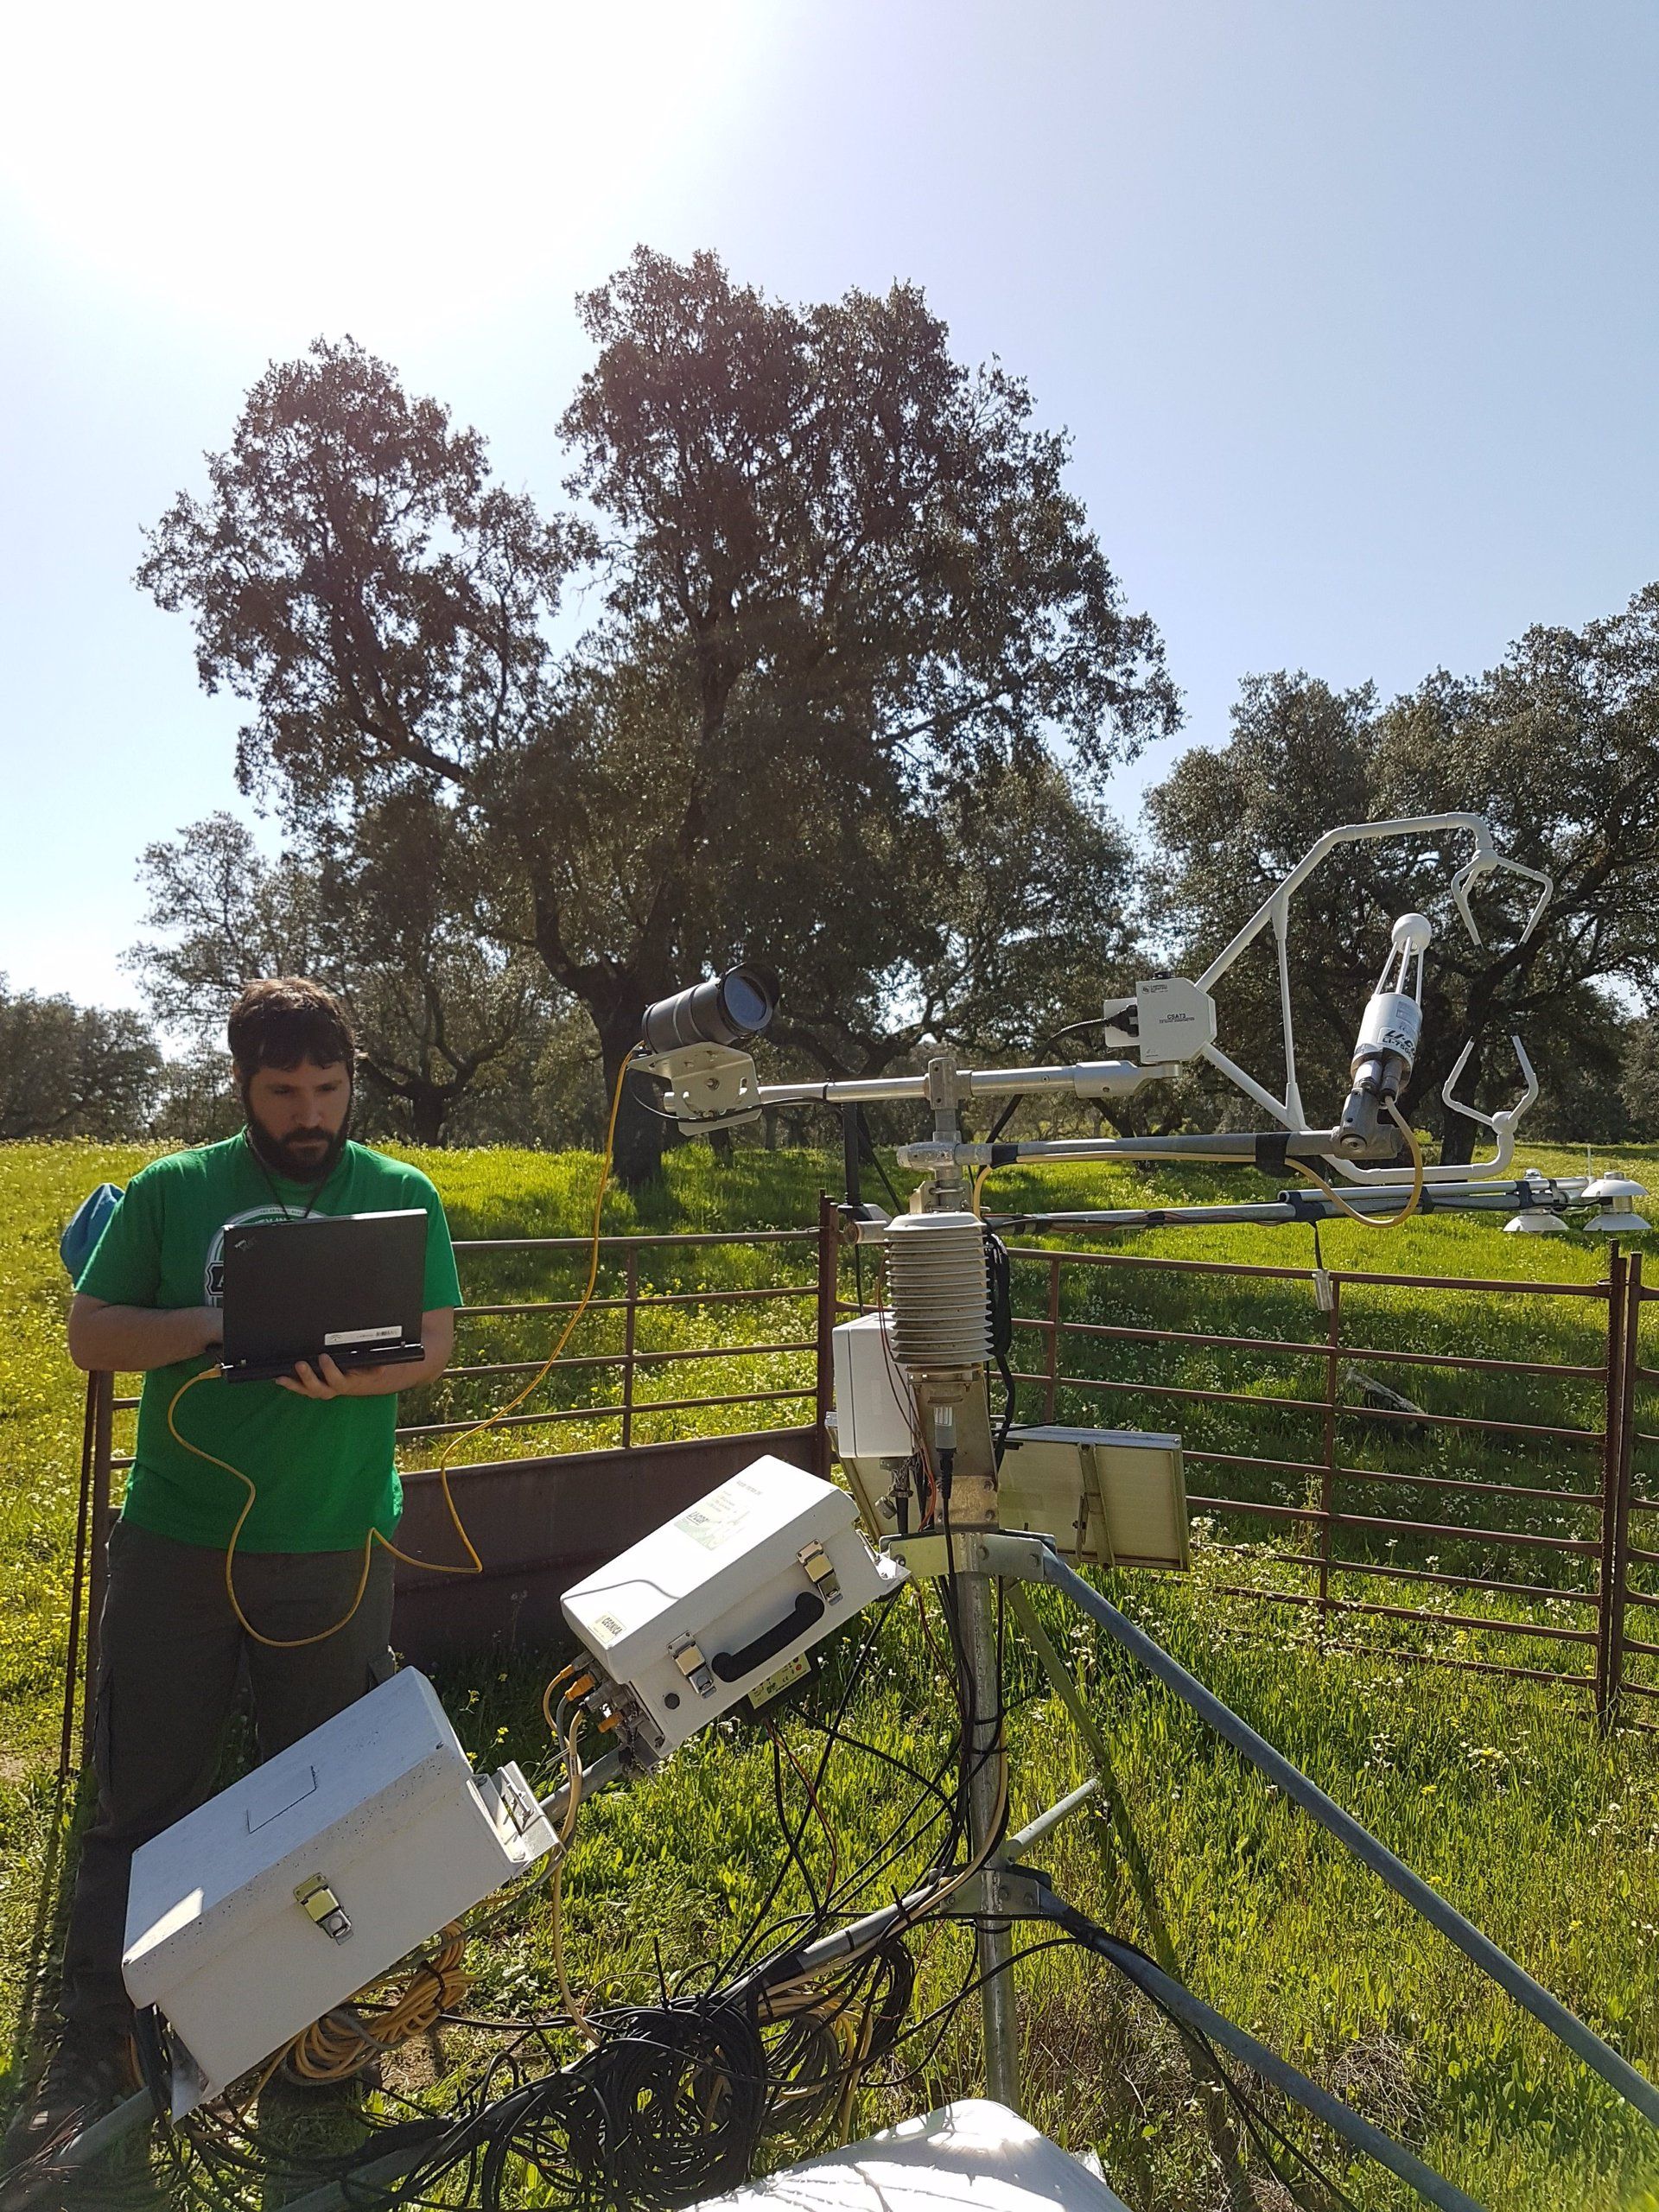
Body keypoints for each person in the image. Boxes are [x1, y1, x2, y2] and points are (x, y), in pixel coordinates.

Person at [5, 978, 462, 2160]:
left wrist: (348, 1373)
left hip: (335, 1543)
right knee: (141, 1800)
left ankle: (317, 2043)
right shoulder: (172, 1191)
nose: (310, 1112)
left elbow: (433, 1343)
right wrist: (225, 1325)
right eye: (284, 1092)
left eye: (328, 1087)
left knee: (332, 1800)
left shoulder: (399, 1196)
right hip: (179, 1546)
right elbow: (93, 1333)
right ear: (242, 1087)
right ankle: (95, 2044)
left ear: (350, 1078)